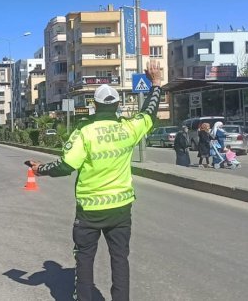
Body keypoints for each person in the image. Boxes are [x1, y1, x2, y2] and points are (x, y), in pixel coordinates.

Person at [25, 64, 163, 301]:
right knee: (120, 260)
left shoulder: (84, 131)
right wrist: (157, 84)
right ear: (118, 105)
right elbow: (149, 112)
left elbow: (65, 166)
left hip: (89, 211)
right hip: (121, 208)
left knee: (85, 261)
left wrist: (40, 170)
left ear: (94, 105)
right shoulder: (128, 128)